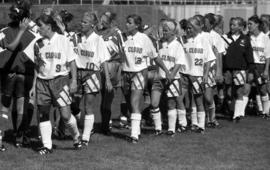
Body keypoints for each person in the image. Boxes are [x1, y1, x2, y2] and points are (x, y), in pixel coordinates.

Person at [30, 13, 82, 155]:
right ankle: (47, 146)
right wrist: (33, 85)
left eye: (40, 26)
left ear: (48, 26)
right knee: (43, 114)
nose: (38, 29)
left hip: (60, 80)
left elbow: (72, 62)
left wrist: (74, 81)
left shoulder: (63, 40)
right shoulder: (38, 43)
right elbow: (37, 66)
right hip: (42, 82)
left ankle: (76, 137)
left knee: (65, 116)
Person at [122, 14, 169, 143]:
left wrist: (166, 70)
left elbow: (155, 57)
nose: (127, 24)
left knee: (134, 102)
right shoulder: (123, 37)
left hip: (138, 73)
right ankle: (137, 129)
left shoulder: (144, 39)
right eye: (127, 22)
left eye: (130, 22)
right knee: (130, 104)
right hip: (125, 73)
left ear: (137, 25)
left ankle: (134, 136)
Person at [72, 12, 112, 146]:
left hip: (92, 74)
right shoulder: (76, 37)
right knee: (72, 104)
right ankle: (79, 127)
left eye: (85, 22)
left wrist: (107, 79)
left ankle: (85, 137)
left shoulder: (97, 39)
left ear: (92, 25)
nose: (81, 24)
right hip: (77, 74)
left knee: (88, 106)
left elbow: (104, 60)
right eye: (82, 21)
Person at [0, 2, 36, 150]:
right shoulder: (33, 36)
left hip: (7, 73)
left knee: (4, 108)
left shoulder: (3, 31)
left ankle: (2, 138)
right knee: (21, 106)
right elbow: (36, 61)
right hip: (24, 75)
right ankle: (19, 139)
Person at [150, 19, 185, 136]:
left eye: (166, 31)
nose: (163, 33)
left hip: (173, 78)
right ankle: (158, 128)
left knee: (171, 103)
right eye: (163, 30)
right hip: (159, 77)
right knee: (154, 103)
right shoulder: (160, 43)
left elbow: (179, 62)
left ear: (172, 32)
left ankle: (171, 129)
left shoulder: (177, 45)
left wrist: (171, 74)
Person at [181, 16, 216, 133]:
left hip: (197, 75)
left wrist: (205, 74)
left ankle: (201, 125)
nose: (188, 30)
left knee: (198, 100)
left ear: (196, 27)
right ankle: (184, 124)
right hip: (184, 74)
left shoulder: (203, 40)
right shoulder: (183, 40)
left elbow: (209, 59)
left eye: (191, 28)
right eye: (187, 28)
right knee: (180, 98)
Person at [97, 11, 125, 135]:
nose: (101, 23)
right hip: (101, 66)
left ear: (109, 22)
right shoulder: (99, 34)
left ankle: (106, 125)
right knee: (104, 96)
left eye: (103, 21)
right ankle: (104, 125)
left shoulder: (116, 32)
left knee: (108, 97)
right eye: (100, 21)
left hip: (113, 65)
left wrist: (122, 66)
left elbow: (123, 49)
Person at [223, 17, 253, 122]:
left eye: (234, 25)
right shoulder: (225, 37)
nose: (231, 26)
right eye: (231, 24)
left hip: (240, 69)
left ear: (240, 27)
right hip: (227, 70)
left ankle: (237, 115)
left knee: (239, 91)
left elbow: (249, 56)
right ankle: (233, 111)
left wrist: (250, 71)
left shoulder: (245, 39)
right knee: (229, 93)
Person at [247, 15, 270, 119]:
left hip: (261, 66)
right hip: (250, 66)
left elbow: (268, 56)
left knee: (262, 89)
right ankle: (239, 114)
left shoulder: (265, 38)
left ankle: (266, 112)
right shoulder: (248, 37)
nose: (248, 26)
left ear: (257, 25)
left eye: (250, 24)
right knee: (246, 89)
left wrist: (265, 70)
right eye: (248, 24)